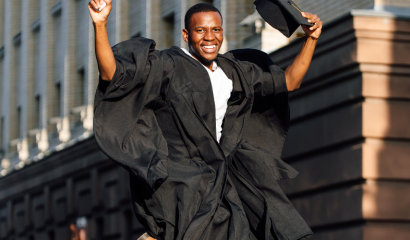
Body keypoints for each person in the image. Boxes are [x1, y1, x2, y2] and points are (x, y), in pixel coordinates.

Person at [88, 0, 322, 239]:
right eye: (201, 30)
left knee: (269, 225)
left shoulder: (233, 71)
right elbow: (113, 74)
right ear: (186, 34)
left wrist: (311, 39)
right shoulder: (168, 65)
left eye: (216, 30)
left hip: (221, 178)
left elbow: (289, 82)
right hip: (181, 181)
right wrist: (101, 24)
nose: (210, 37)